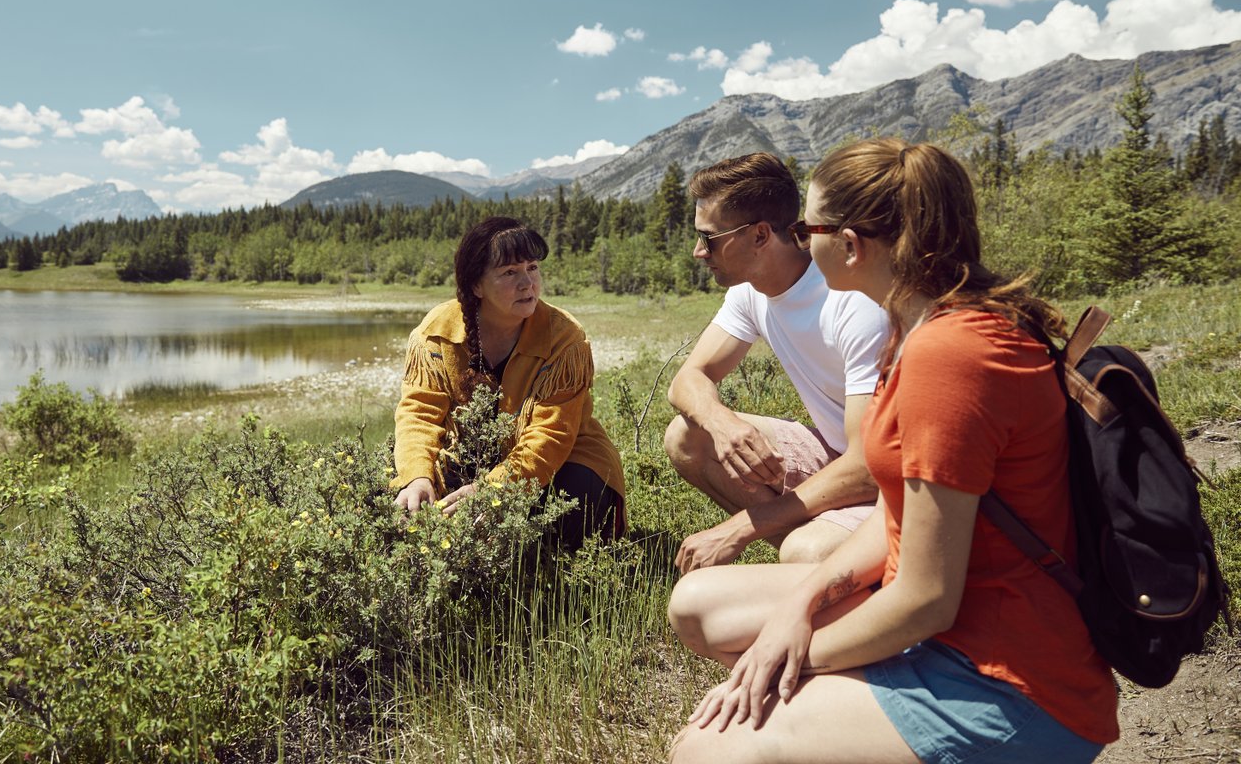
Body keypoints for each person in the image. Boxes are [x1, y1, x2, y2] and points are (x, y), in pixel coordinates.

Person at [666, 138, 1118, 764]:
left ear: (851, 246)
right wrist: (804, 600)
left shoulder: (947, 358)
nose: (801, 242)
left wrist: (787, 655)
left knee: (706, 750)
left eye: (808, 229)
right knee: (699, 606)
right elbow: (897, 513)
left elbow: (927, 598)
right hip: (955, 624)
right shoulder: (923, 328)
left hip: (1008, 681)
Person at [666, 153, 888, 569]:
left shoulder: (852, 302)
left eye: (709, 238)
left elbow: (870, 464)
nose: (698, 252)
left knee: (806, 551)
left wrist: (743, 526)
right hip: (841, 454)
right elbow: (687, 379)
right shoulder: (749, 292)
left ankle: (833, 562)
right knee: (687, 436)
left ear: (760, 235)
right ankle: (825, 557)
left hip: (891, 475)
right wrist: (722, 423)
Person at [392, 216, 625, 548]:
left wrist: (493, 490)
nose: (527, 283)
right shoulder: (437, 331)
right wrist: (417, 477)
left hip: (561, 462)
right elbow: (419, 414)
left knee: (573, 506)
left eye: (533, 268)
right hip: (470, 458)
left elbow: (550, 437)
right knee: (398, 498)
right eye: (509, 272)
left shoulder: (564, 337)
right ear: (476, 286)